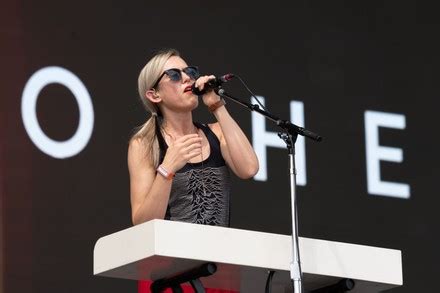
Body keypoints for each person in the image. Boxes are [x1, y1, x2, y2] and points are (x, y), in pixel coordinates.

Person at [128, 49, 259, 292]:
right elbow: (143, 222)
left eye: (189, 72)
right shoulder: (145, 144)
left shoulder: (216, 132)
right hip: (168, 273)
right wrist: (167, 168)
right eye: (174, 75)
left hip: (218, 271)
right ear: (154, 94)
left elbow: (249, 168)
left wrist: (217, 107)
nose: (187, 78)